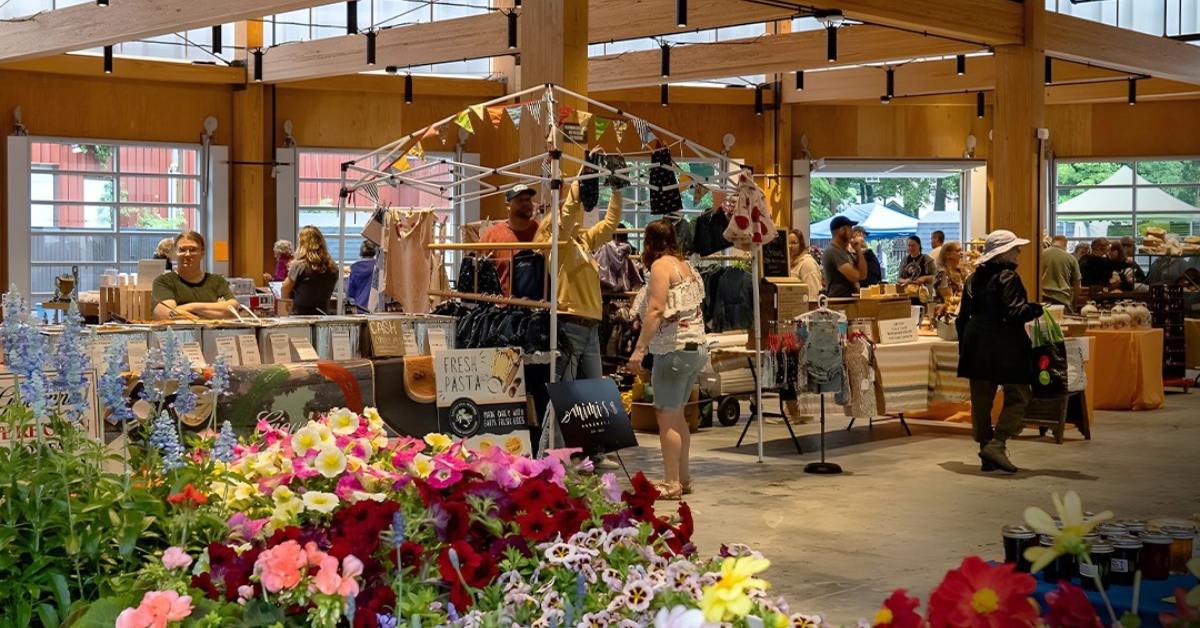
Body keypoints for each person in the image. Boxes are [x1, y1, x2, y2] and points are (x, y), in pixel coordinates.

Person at [628, 220, 707, 500]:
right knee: (677, 414)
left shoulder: (660, 266)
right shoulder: (685, 265)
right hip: (695, 348)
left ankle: (671, 482)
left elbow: (656, 309)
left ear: (649, 242)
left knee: (666, 416)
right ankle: (683, 478)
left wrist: (639, 349)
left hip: (673, 350)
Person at [956, 230, 1043, 474]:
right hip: (1004, 345)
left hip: (976, 342)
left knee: (981, 401)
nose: (1019, 252)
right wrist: (1036, 309)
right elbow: (1016, 312)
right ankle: (997, 443)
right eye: (1015, 248)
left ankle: (987, 452)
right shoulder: (1007, 277)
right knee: (1020, 395)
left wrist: (965, 346)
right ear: (1002, 253)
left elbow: (961, 318)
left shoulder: (972, 279)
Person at [536, 177, 623, 382]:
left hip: (591, 325)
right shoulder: (556, 247)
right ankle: (558, 416)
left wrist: (616, 190)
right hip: (570, 323)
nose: (579, 219)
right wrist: (581, 178)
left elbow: (610, 224)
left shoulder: (583, 242)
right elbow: (567, 216)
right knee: (567, 388)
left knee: (593, 389)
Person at [152, 231, 238, 320]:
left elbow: (234, 309)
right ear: (176, 253)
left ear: (202, 253)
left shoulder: (218, 281)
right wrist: (216, 312)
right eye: (182, 250)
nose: (187, 254)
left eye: (193, 250)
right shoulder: (164, 281)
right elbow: (167, 314)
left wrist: (191, 307)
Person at [481, 184, 539, 296]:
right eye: (520, 200)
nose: (526, 203)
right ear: (508, 205)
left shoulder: (542, 232)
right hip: (504, 308)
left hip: (539, 307)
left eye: (528, 199)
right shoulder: (492, 236)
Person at [279, 226, 339, 316]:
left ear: (302, 244)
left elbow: (285, 288)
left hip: (300, 315)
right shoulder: (333, 267)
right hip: (323, 313)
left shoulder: (300, 265)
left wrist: (285, 310)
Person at [823, 217, 869, 297]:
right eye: (850, 229)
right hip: (839, 302)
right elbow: (854, 276)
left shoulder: (845, 252)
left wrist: (858, 251)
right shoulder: (833, 251)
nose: (852, 233)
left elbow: (863, 275)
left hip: (849, 302)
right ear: (842, 230)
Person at [1041, 235, 1081, 310]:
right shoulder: (1071, 258)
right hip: (1062, 299)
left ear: (1052, 242)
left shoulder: (1040, 255)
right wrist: (1074, 304)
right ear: (1066, 245)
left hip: (1042, 298)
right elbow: (1077, 284)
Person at [787, 229, 823, 301]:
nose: (790, 246)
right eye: (788, 243)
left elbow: (813, 296)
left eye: (794, 243)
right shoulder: (790, 263)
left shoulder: (807, 263)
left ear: (801, 244)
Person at [898, 235, 936, 302]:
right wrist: (906, 281)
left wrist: (924, 278)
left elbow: (935, 277)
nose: (911, 248)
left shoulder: (927, 259)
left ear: (919, 245)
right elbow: (899, 279)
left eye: (913, 245)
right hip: (908, 296)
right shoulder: (905, 260)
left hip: (923, 296)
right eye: (909, 246)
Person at [933, 242, 965, 315]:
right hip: (943, 313)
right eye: (957, 251)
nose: (961, 253)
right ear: (947, 255)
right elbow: (948, 299)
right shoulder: (942, 273)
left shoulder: (959, 271)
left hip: (957, 311)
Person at [346, 240, 377, 313]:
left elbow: (350, 292)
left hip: (360, 307)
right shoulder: (379, 267)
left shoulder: (355, 268)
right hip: (376, 308)